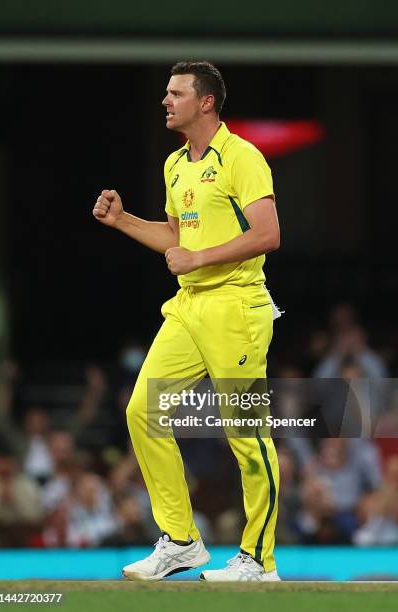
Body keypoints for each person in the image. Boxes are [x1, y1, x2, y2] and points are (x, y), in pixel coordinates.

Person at [93, 61, 281, 582]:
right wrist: (124, 221)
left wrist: (200, 259)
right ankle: (181, 540)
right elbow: (178, 238)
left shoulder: (242, 156)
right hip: (189, 307)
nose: (165, 100)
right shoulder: (175, 165)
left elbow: (268, 234)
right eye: (165, 93)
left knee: (246, 435)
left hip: (237, 306)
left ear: (206, 102)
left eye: (176, 93)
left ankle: (258, 562)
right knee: (141, 411)